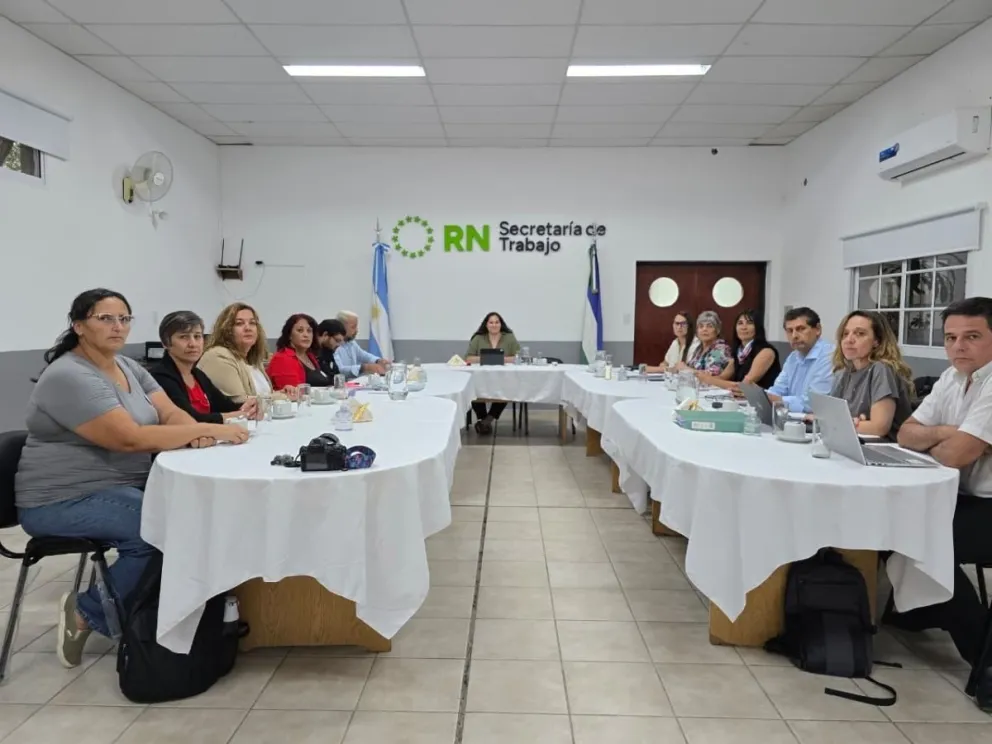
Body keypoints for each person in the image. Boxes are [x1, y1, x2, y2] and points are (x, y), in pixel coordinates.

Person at [14, 289, 249, 668]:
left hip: (124, 487)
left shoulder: (127, 367)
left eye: (124, 319)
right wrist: (209, 430)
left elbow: (170, 413)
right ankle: (86, 612)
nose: (118, 326)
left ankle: (173, 613)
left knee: (200, 513)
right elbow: (128, 438)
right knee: (161, 529)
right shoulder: (70, 375)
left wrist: (192, 431)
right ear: (79, 326)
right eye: (105, 318)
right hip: (63, 499)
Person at [890, 297, 992, 709]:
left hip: (987, 503)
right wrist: (951, 432)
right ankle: (922, 610)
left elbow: (956, 455)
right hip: (961, 496)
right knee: (894, 520)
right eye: (950, 338)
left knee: (928, 540)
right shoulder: (952, 377)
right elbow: (905, 433)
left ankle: (984, 662)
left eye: (972, 336)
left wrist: (949, 442)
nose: (958, 346)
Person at [149, 311, 260, 424]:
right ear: (165, 343)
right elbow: (190, 419)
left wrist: (249, 406)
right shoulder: (160, 377)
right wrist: (237, 415)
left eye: (197, 336)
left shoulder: (198, 375)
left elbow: (226, 406)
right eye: (184, 337)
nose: (193, 344)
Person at [830, 310, 914, 439]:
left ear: (877, 341)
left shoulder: (881, 369)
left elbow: (879, 428)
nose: (849, 340)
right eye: (845, 334)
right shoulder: (844, 372)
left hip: (885, 446)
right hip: (854, 440)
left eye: (860, 334)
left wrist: (840, 423)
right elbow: (832, 416)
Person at [198, 302, 283, 402]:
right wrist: (281, 397)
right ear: (226, 330)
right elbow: (238, 401)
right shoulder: (218, 356)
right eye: (239, 323)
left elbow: (263, 394)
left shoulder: (253, 360)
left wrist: (281, 392)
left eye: (252, 323)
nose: (248, 328)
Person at [767, 307, 834, 413]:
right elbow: (778, 389)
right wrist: (764, 396)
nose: (794, 336)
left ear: (818, 329)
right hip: (794, 418)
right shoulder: (793, 357)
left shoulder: (829, 356)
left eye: (801, 329)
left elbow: (814, 403)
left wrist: (779, 400)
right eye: (790, 331)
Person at [466, 312, 521, 434]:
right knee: (472, 389)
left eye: (497, 322)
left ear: (501, 324)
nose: (494, 325)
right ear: (486, 325)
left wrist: (499, 359)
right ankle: (483, 418)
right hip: (481, 378)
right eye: (491, 322)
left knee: (507, 390)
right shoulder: (478, 338)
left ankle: (487, 420)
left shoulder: (509, 337)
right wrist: (489, 358)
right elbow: (468, 358)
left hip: (504, 378)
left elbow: (518, 357)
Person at [703, 309, 780, 391]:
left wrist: (708, 379)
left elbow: (745, 386)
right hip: (740, 397)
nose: (744, 327)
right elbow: (722, 377)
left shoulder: (766, 352)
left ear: (758, 327)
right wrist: (701, 375)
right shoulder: (739, 352)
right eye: (740, 323)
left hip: (763, 398)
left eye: (749, 323)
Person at [267, 313, 331, 392]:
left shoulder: (310, 356)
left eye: (309, 331)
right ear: (289, 335)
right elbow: (292, 393)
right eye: (300, 330)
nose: (306, 335)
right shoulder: (283, 358)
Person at [333, 311, 387, 379]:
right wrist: (364, 368)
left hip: (352, 382)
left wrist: (378, 360)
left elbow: (363, 355)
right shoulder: (333, 346)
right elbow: (339, 370)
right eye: (353, 327)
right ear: (341, 327)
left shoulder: (351, 342)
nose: (357, 330)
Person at [679, 311, 731, 377]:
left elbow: (712, 374)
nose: (704, 329)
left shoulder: (718, 349)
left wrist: (686, 369)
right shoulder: (699, 348)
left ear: (717, 330)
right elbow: (690, 366)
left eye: (709, 326)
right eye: (701, 326)